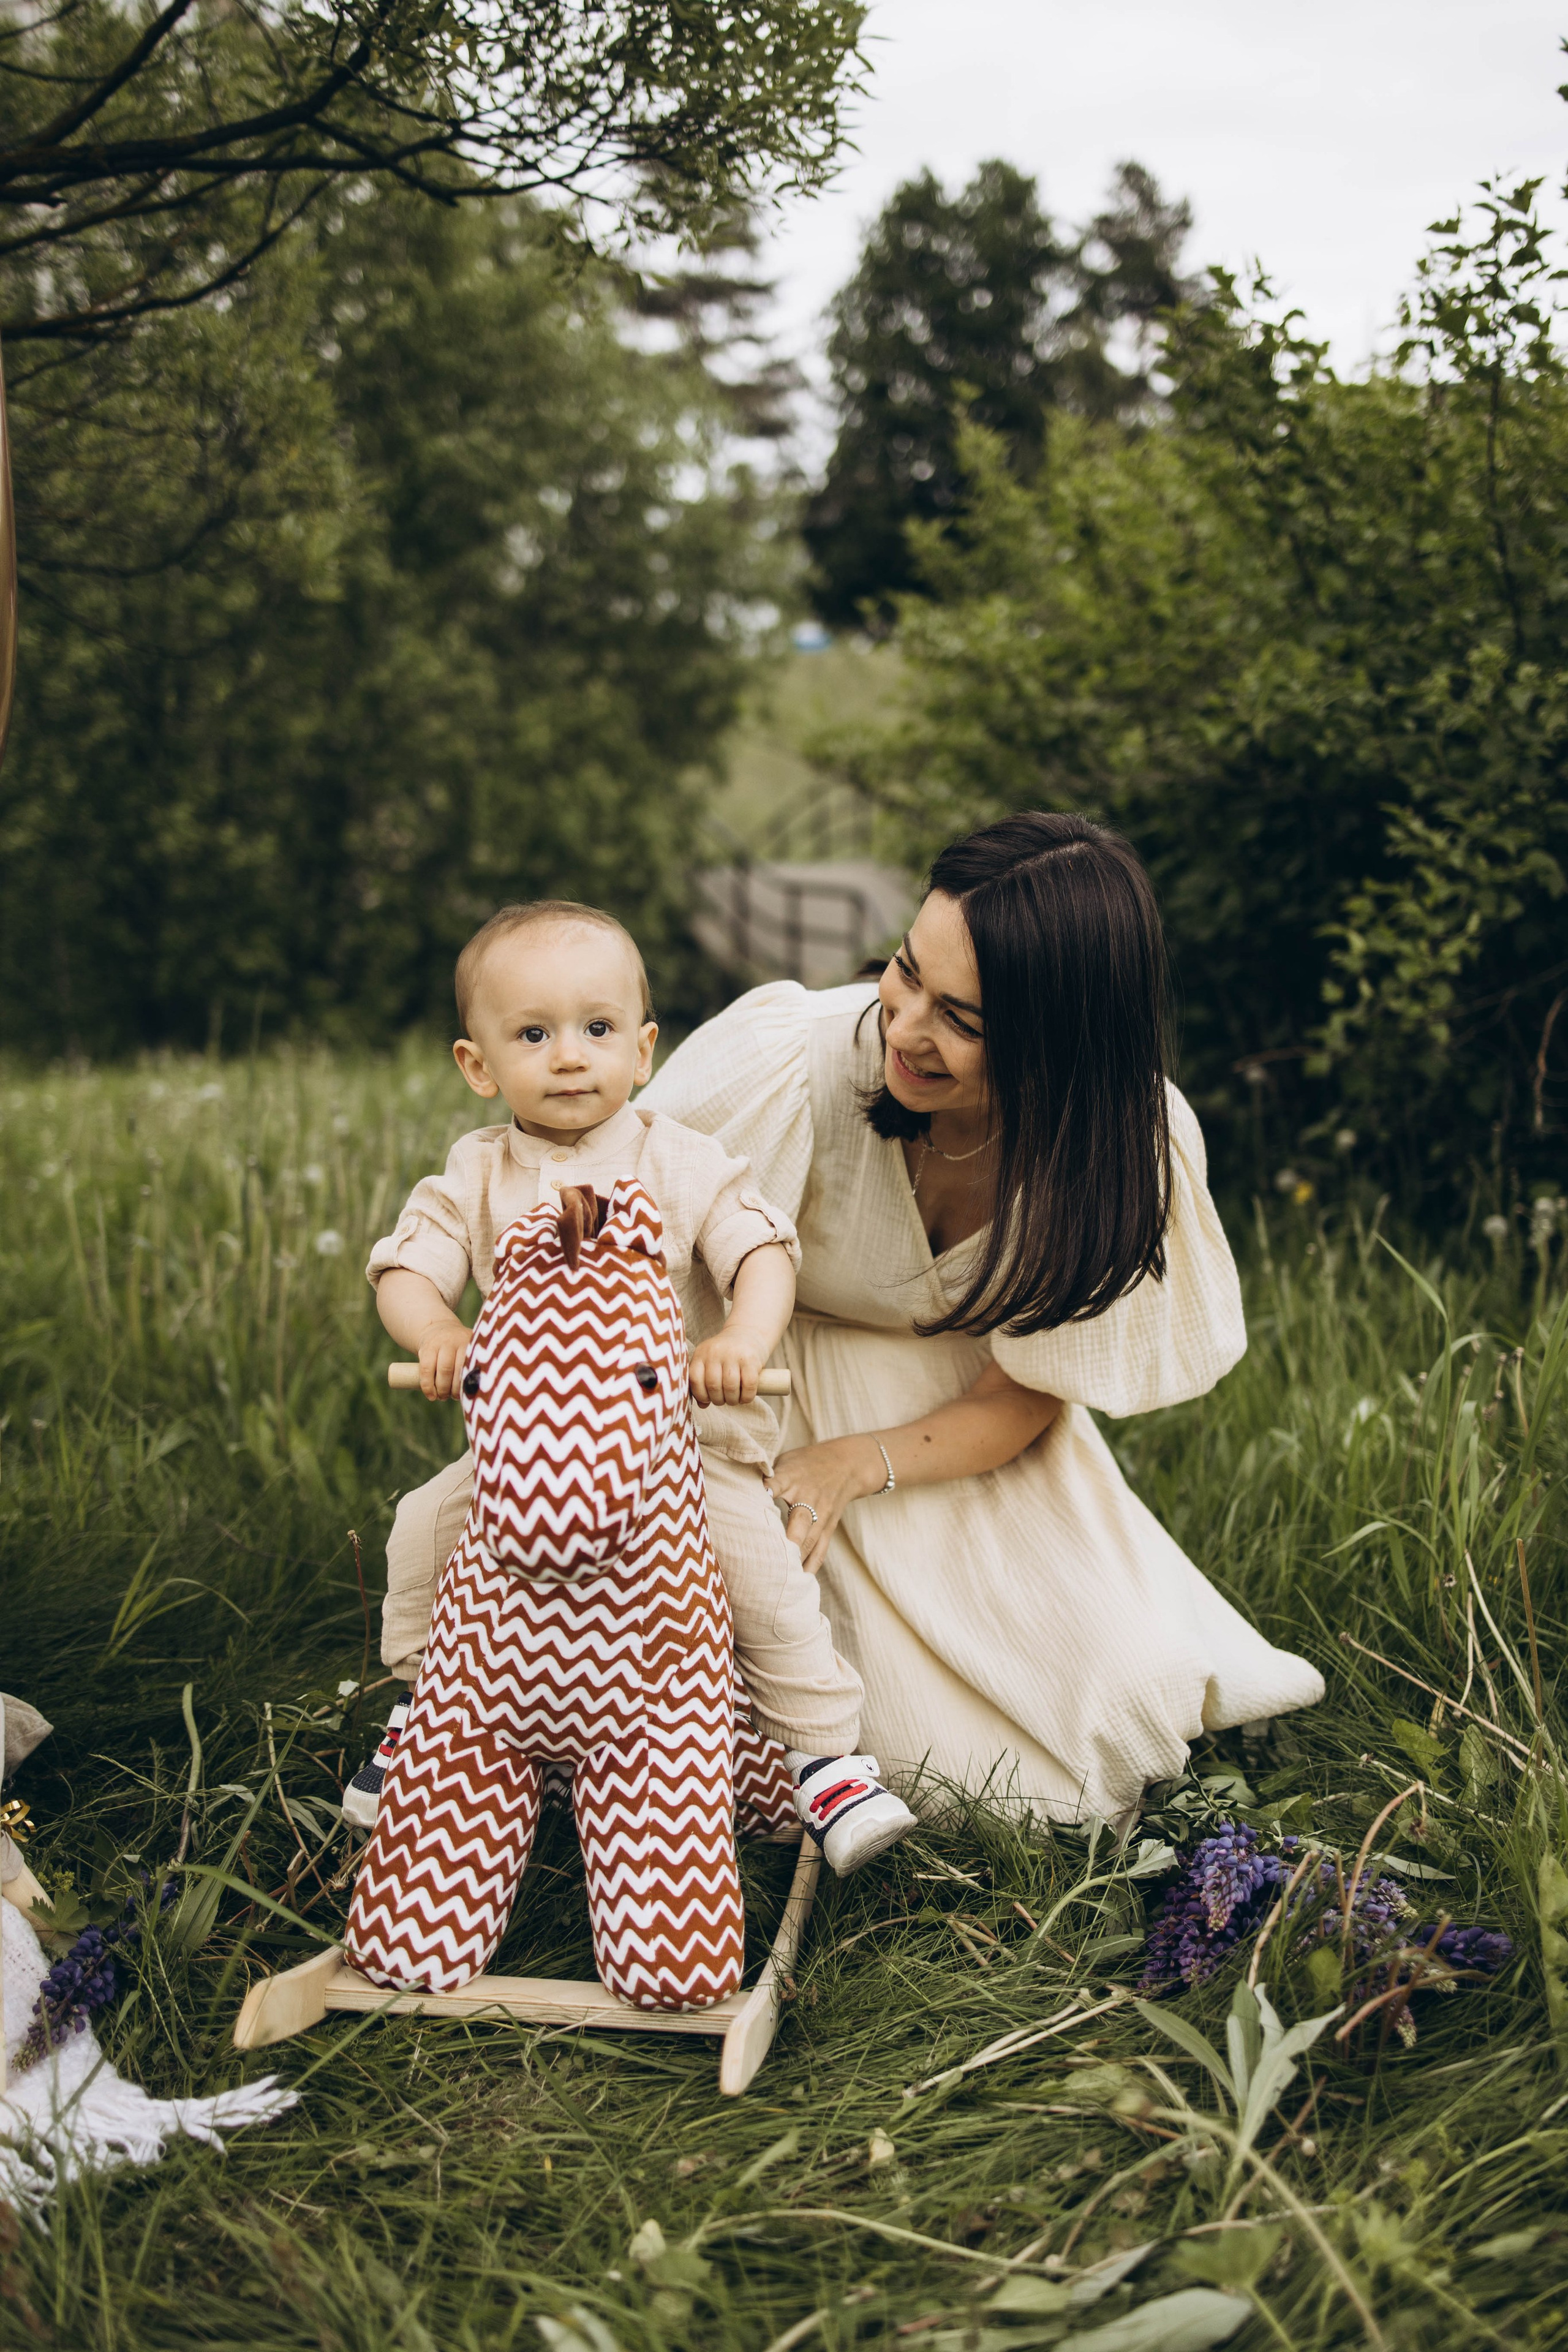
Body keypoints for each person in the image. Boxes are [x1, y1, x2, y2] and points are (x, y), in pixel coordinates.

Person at [639, 812, 1324, 1823]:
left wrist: (853, 1464)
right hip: (750, 1397)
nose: (908, 1030)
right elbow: (624, 1299)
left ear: (1064, 1041)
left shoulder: (1121, 1147)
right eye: (907, 972)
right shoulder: (784, 1069)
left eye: (965, 1020)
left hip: (954, 1431)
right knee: (897, 1753)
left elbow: (1026, 1393)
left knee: (1108, 1725)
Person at [344, 899, 918, 1874]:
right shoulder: (478, 1172)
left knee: (764, 1579)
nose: (570, 1057)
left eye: (597, 1029)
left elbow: (761, 1252)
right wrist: (438, 1328)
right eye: (534, 1035)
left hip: (679, 1453)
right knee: (419, 1529)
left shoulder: (682, 1161)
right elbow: (410, 1261)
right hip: (525, 1462)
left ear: (644, 1050)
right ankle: (425, 1703)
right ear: (479, 1066)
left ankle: (825, 1761)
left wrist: (740, 1334)